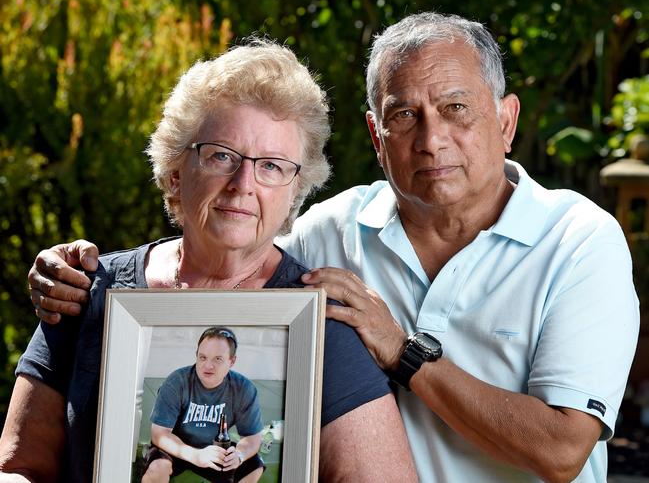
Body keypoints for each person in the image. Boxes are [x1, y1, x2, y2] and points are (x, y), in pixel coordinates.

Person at [19, 12, 640, 482]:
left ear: (506, 120)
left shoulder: (578, 241)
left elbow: (563, 451)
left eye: (456, 109)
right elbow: (232, 242)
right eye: (403, 116)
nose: (431, 140)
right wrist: (65, 268)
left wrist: (403, 352)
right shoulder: (333, 229)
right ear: (377, 135)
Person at [0, 40, 416, 483]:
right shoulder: (88, 292)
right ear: (176, 174)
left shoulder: (321, 325)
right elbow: (18, 467)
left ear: (295, 191)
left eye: (271, 166)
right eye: (222, 155)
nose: (243, 184)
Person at [142, 327, 263, 483]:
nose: (208, 366)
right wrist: (196, 455)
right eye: (203, 357)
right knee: (158, 467)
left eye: (217, 359)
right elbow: (159, 434)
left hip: (215, 449)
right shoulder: (177, 382)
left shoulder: (243, 389)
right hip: (177, 447)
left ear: (231, 361)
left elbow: (252, 438)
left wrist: (239, 455)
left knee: (254, 466)